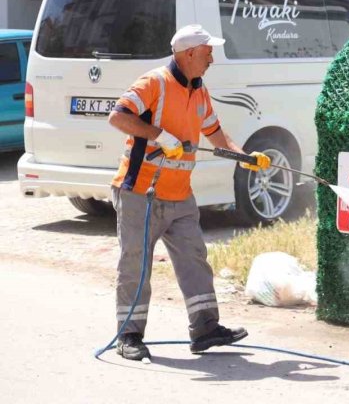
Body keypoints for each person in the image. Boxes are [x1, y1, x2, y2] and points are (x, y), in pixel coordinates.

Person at [108, 24, 271, 361]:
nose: (212, 59)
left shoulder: (199, 91)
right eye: (208, 52)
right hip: (141, 192)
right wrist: (159, 135)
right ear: (190, 53)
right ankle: (129, 335)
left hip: (180, 196)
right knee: (135, 265)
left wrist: (246, 157)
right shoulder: (154, 82)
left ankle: (205, 329)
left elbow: (216, 134)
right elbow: (118, 117)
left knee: (194, 259)